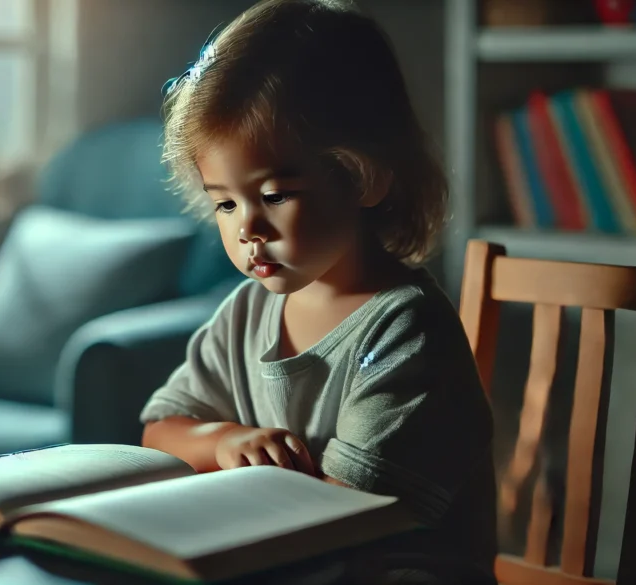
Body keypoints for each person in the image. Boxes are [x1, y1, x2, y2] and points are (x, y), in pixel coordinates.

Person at [139, 1, 497, 583]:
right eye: (225, 203)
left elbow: (345, 518)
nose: (245, 228)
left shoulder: (406, 331)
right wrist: (226, 440)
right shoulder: (247, 314)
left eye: (274, 195)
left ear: (361, 177)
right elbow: (161, 431)